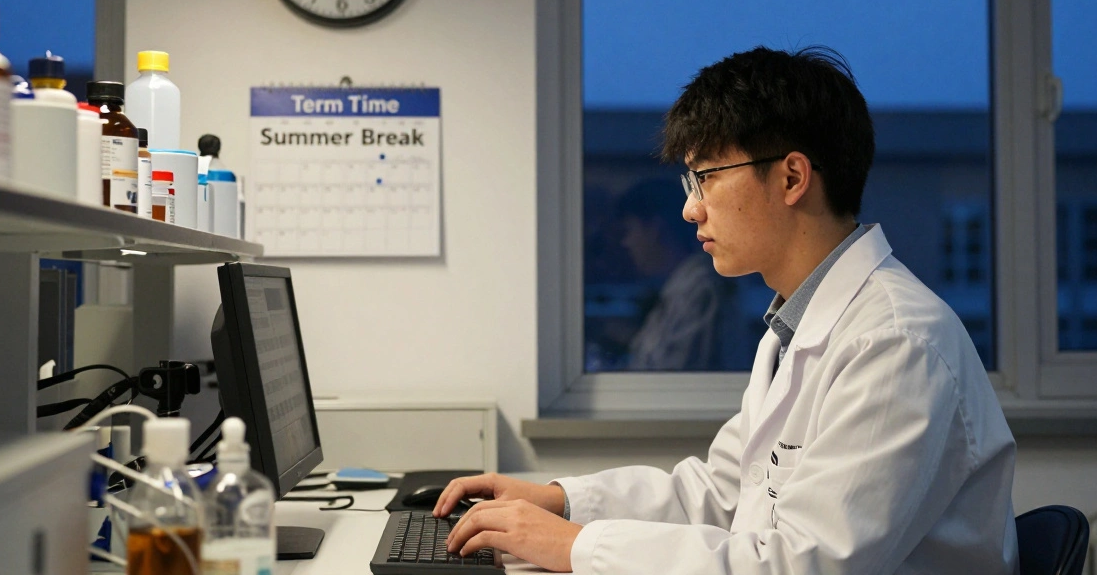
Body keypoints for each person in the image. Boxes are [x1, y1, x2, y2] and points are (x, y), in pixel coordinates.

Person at [434, 46, 1018, 574]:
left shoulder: (895, 343)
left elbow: (804, 565)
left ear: (792, 177)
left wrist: (577, 546)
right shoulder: (793, 328)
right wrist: (561, 503)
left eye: (706, 178)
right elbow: (721, 495)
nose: (691, 210)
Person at [612, 179, 746, 371]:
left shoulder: (700, 290)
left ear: (655, 229)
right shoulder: (679, 290)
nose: (626, 243)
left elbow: (675, 375)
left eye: (628, 231)